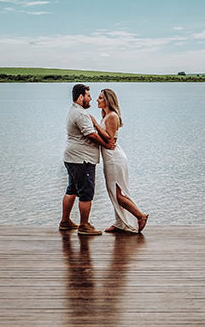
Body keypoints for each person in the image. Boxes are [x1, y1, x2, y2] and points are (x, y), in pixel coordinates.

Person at [91, 88, 149, 233]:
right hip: (109, 157)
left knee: (118, 193)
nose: (97, 100)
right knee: (113, 191)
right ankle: (120, 223)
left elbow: (110, 139)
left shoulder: (112, 116)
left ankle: (140, 216)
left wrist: (95, 124)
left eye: (100, 98)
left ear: (107, 100)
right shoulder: (105, 114)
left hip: (114, 158)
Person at [60, 83, 113, 235]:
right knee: (86, 193)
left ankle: (65, 222)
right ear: (81, 97)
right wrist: (106, 144)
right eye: (88, 96)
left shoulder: (73, 111)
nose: (91, 99)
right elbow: (90, 134)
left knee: (72, 189)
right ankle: (84, 226)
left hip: (71, 157)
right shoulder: (81, 114)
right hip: (82, 159)